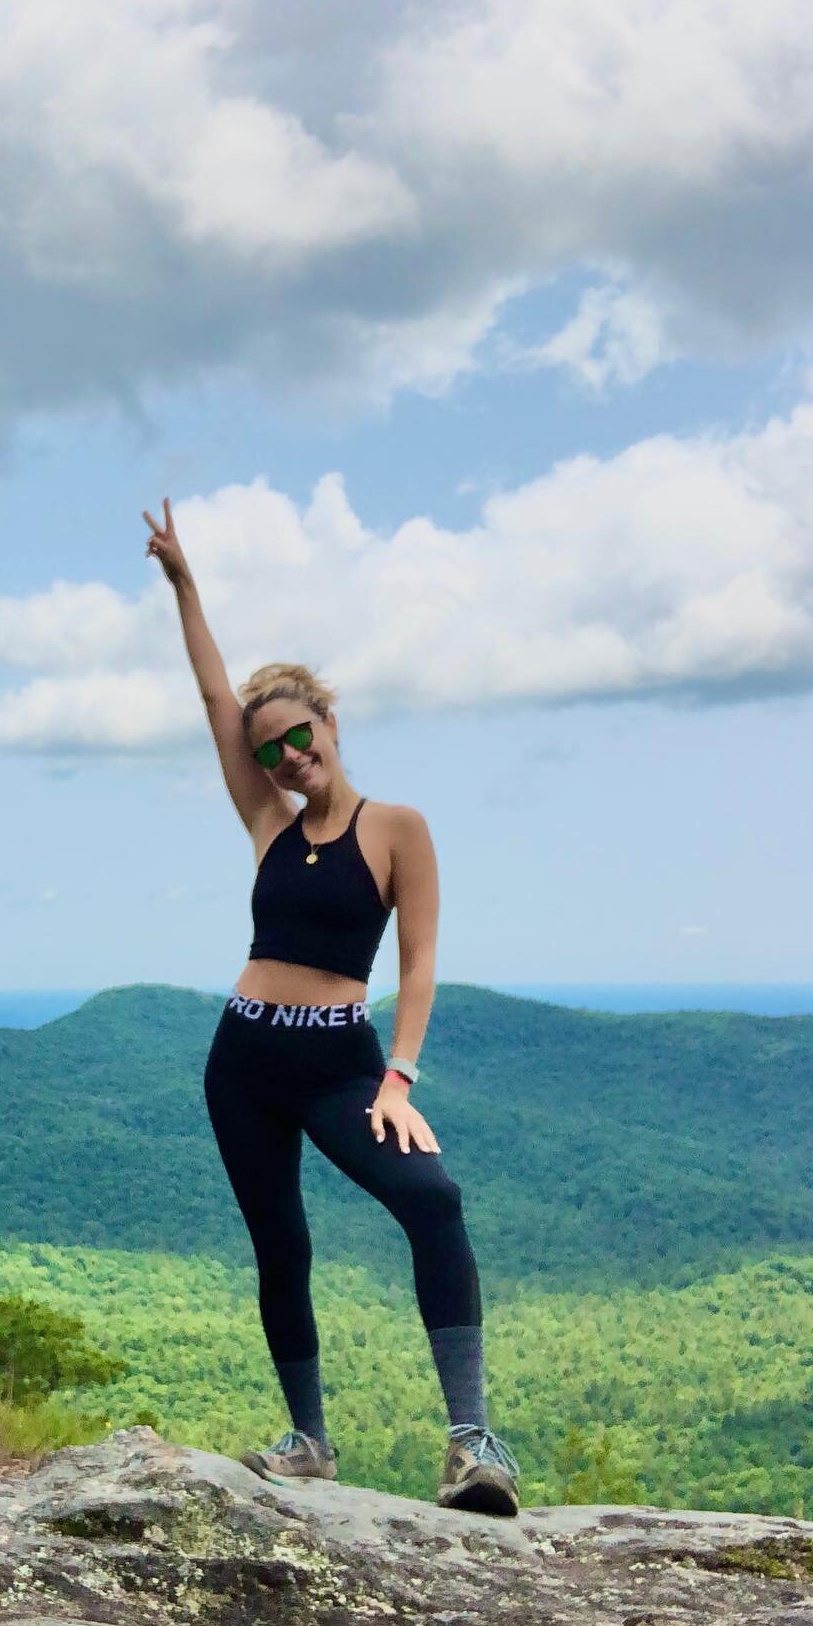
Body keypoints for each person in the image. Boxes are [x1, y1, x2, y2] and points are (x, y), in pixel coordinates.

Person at [143, 495, 520, 1516]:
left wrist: (397, 1073)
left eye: (296, 737)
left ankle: (473, 1446)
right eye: (268, 750)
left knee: (433, 1199)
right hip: (244, 1059)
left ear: (329, 724)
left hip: (342, 1060)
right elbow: (217, 700)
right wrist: (187, 587)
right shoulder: (267, 821)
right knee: (282, 1241)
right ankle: (309, 1438)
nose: (284, 758)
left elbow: (423, 957)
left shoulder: (399, 827)